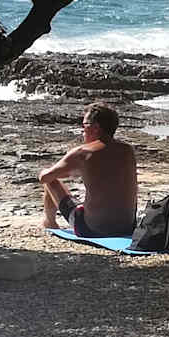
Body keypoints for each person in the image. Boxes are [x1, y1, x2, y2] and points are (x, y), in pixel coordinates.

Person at [38, 101, 139, 237]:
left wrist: (64, 170)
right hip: (128, 227)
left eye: (84, 125)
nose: (82, 130)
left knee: (49, 179)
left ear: (95, 127)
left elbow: (44, 178)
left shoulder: (83, 153)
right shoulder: (128, 150)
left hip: (92, 229)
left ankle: (49, 222)